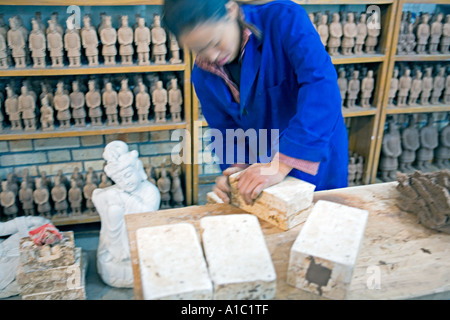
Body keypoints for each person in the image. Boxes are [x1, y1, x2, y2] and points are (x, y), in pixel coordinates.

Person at [163, 0, 348, 205]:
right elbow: (226, 132)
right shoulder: (203, 75)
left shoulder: (284, 19)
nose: (212, 56)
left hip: (312, 149)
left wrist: (282, 162)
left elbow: (321, 87)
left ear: (231, 10)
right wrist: (235, 171)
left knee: (321, 222)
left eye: (215, 42)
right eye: (199, 49)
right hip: (264, 164)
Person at [92, 141, 160, 288]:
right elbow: (99, 197)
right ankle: (118, 254)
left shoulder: (150, 190)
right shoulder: (117, 191)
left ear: (138, 169)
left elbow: (147, 215)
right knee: (113, 209)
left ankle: (131, 257)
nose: (125, 182)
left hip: (140, 238)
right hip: (118, 244)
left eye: (128, 175)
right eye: (119, 180)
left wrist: (126, 200)